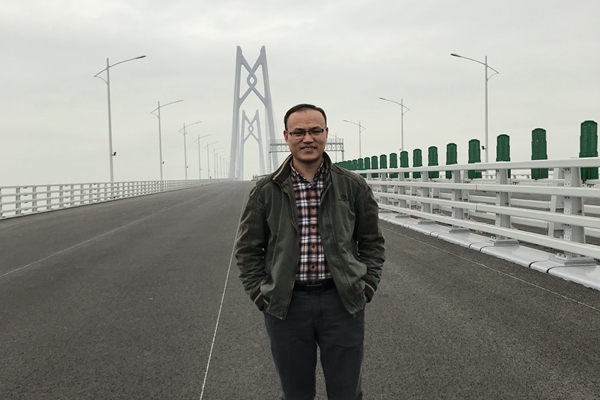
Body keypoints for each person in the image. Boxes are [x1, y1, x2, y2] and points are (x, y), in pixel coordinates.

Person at [235, 103, 385, 400]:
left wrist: (367, 286)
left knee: (346, 393)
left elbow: (372, 242)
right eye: (299, 132)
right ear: (286, 137)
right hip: (287, 306)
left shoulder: (352, 185)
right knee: (295, 394)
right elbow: (248, 249)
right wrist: (260, 294)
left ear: (326, 133)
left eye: (315, 131)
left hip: (342, 303)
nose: (308, 138)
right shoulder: (266, 190)